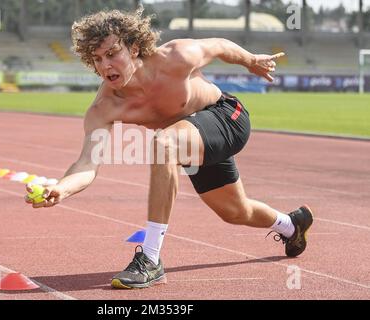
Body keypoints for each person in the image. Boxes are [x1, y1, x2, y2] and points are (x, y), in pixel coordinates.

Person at [25, 7, 313, 289]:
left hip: (226, 117)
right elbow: (87, 164)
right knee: (235, 211)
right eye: (97, 59)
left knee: (163, 143)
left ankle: (150, 258)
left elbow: (220, 46)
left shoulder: (175, 56)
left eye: (113, 54)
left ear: (134, 48)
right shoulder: (104, 108)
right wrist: (62, 188)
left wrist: (251, 60)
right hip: (189, 140)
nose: (105, 66)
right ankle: (291, 225)